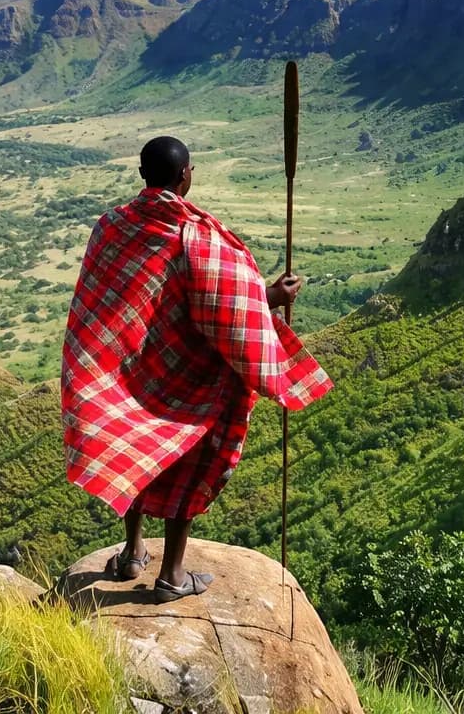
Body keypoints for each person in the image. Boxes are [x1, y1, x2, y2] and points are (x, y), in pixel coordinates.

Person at [60, 135, 332, 600]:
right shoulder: (197, 237)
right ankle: (171, 575)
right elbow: (229, 305)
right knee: (188, 457)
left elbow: (96, 299)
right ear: (185, 175)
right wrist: (274, 297)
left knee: (137, 447)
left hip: (128, 370)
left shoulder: (109, 227)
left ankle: (131, 553)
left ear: (144, 175)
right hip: (183, 374)